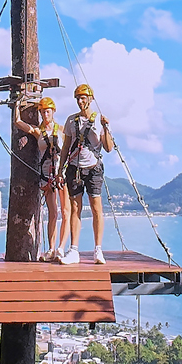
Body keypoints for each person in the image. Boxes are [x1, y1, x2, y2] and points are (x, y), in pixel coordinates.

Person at [61, 83, 115, 265]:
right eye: (78, 98)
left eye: (83, 98)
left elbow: (108, 148)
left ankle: (98, 250)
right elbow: (66, 147)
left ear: (90, 99)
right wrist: (61, 169)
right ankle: (74, 250)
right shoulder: (71, 120)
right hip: (74, 168)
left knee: (96, 208)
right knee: (75, 208)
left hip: (93, 168)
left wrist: (106, 128)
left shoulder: (99, 119)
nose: (80, 101)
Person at [13, 94, 68, 260]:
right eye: (43, 112)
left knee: (66, 211)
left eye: (48, 111)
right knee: (53, 213)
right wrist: (17, 105)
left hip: (61, 173)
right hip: (46, 175)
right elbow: (19, 123)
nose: (46, 115)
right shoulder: (39, 131)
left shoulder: (63, 130)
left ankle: (61, 248)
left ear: (53, 111)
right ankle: (51, 249)